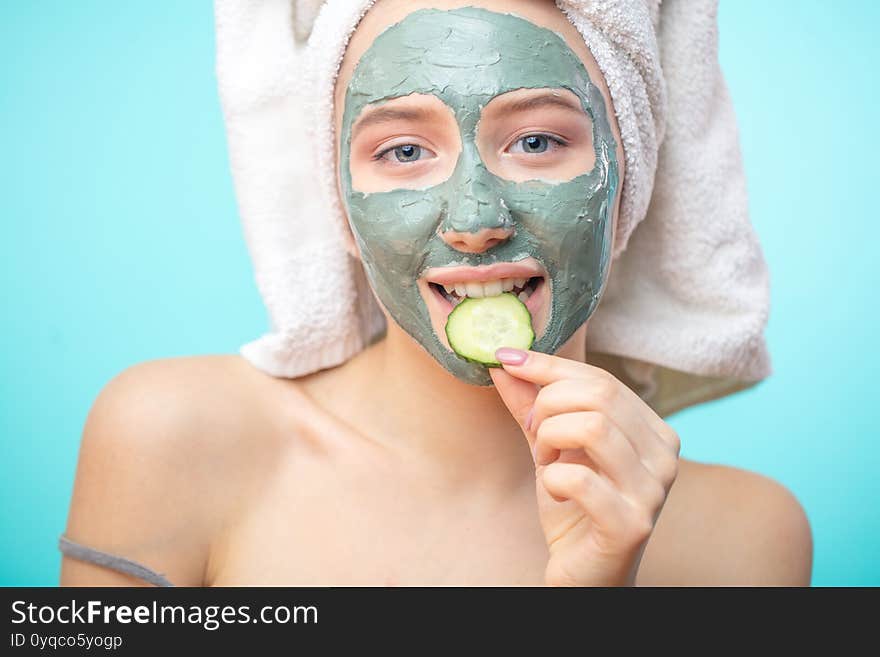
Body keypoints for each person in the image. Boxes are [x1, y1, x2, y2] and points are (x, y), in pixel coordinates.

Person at [59, 0, 813, 586]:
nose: (475, 220)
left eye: (538, 141)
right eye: (405, 151)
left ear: (630, 179)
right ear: (339, 203)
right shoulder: (169, 439)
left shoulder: (746, 539)